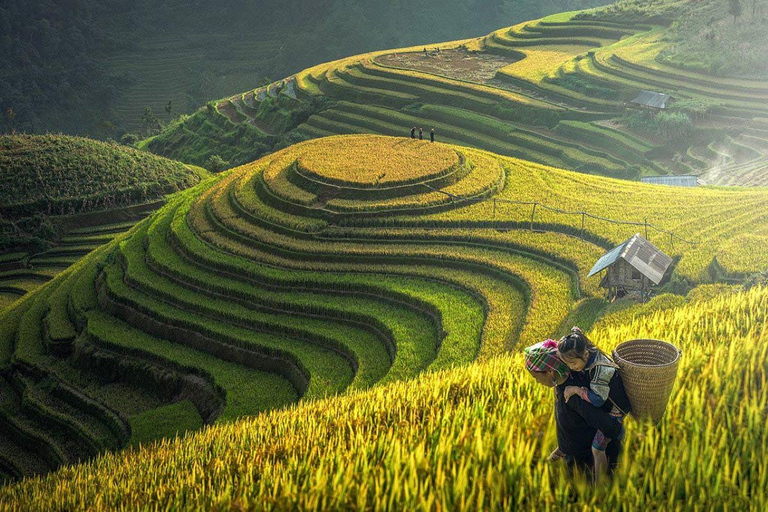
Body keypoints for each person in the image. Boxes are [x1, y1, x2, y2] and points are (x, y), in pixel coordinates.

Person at [524, 340, 624, 478]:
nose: (537, 381)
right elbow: (574, 425)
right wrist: (561, 449)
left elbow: (607, 426)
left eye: (536, 377)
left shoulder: (573, 396)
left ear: (550, 372)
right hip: (571, 456)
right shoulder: (560, 388)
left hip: (584, 467)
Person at [557, 327, 631, 483]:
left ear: (585, 354)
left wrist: (576, 390)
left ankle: (600, 485)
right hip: (607, 403)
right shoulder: (587, 351)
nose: (571, 368)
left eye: (573, 363)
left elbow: (598, 400)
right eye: (567, 364)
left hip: (615, 410)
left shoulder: (599, 370)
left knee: (597, 449)